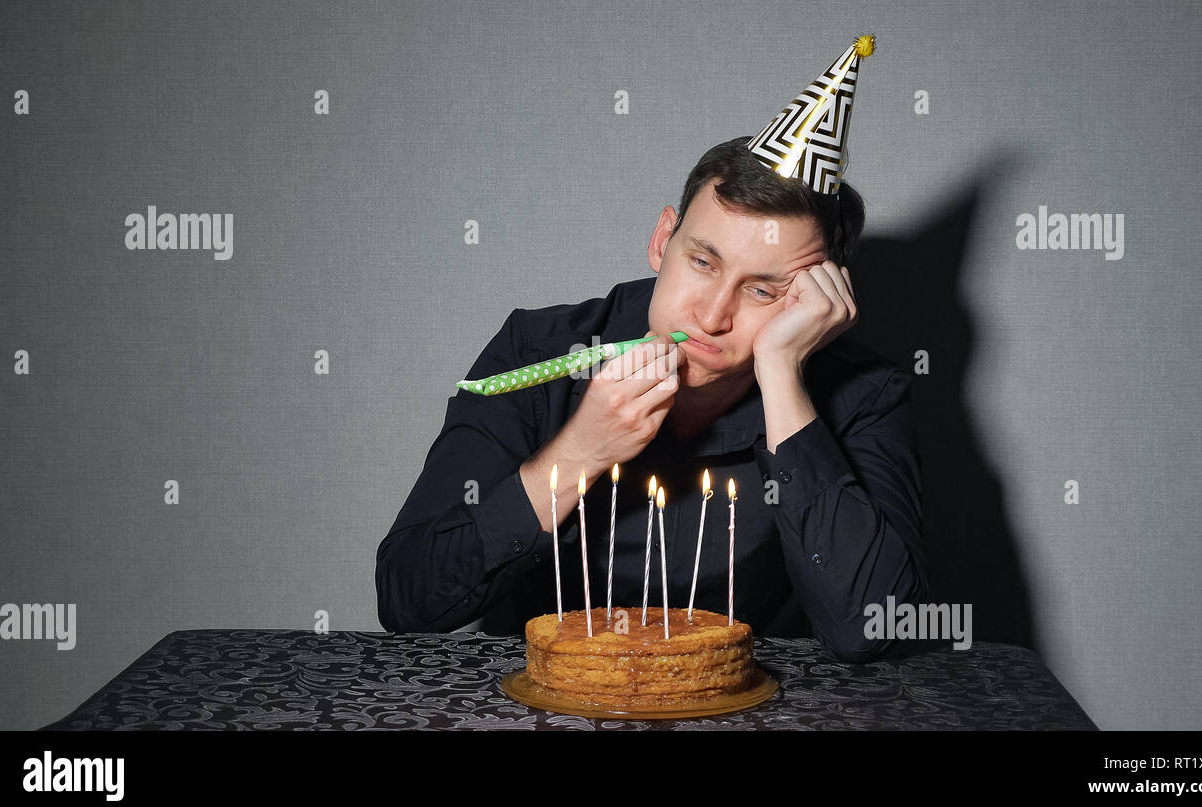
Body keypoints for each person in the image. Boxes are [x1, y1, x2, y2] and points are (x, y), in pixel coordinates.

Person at [376, 136, 928, 662]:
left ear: (816, 303)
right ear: (664, 240)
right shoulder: (536, 350)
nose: (712, 317)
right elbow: (409, 599)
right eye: (703, 263)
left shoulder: (865, 394)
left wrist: (783, 374)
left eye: (763, 290)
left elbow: (870, 628)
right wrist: (581, 453)